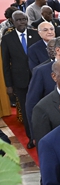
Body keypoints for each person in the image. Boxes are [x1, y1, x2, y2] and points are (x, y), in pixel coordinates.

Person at [1, 11, 40, 146]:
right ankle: (31, 138)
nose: (22, 22)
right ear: (13, 22)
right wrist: (9, 85)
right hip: (19, 81)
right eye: (18, 20)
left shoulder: (35, 34)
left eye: (24, 19)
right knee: (26, 109)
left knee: (40, 107)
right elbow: (5, 63)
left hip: (37, 78)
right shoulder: (7, 39)